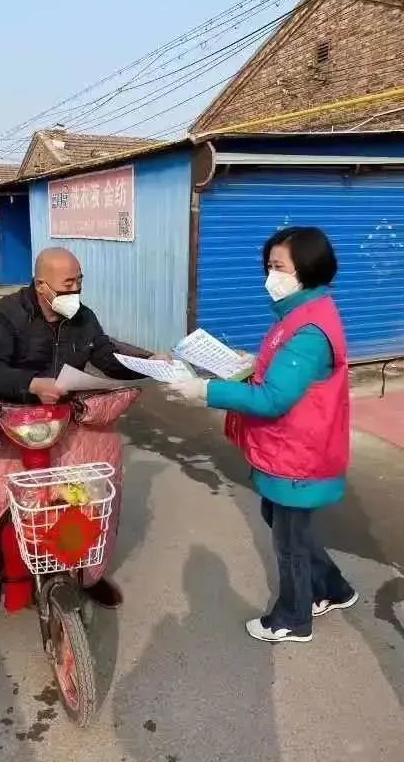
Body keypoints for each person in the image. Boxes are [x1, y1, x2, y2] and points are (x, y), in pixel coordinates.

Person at [0, 247, 160, 651]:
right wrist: (32, 385)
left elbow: (106, 356)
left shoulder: (82, 316)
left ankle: (86, 573)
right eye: (69, 283)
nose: (77, 290)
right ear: (41, 285)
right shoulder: (6, 314)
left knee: (85, 497)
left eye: (80, 281)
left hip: (64, 421)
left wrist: (149, 363)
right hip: (11, 421)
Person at [169, 227, 357, 644]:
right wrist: (249, 360)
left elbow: (273, 398)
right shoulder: (299, 314)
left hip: (298, 454)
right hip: (289, 448)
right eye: (268, 266)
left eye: (279, 267)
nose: (270, 276)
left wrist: (206, 391)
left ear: (307, 269)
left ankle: (293, 618)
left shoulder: (309, 330)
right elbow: (283, 370)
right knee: (284, 521)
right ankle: (334, 588)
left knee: (289, 539)